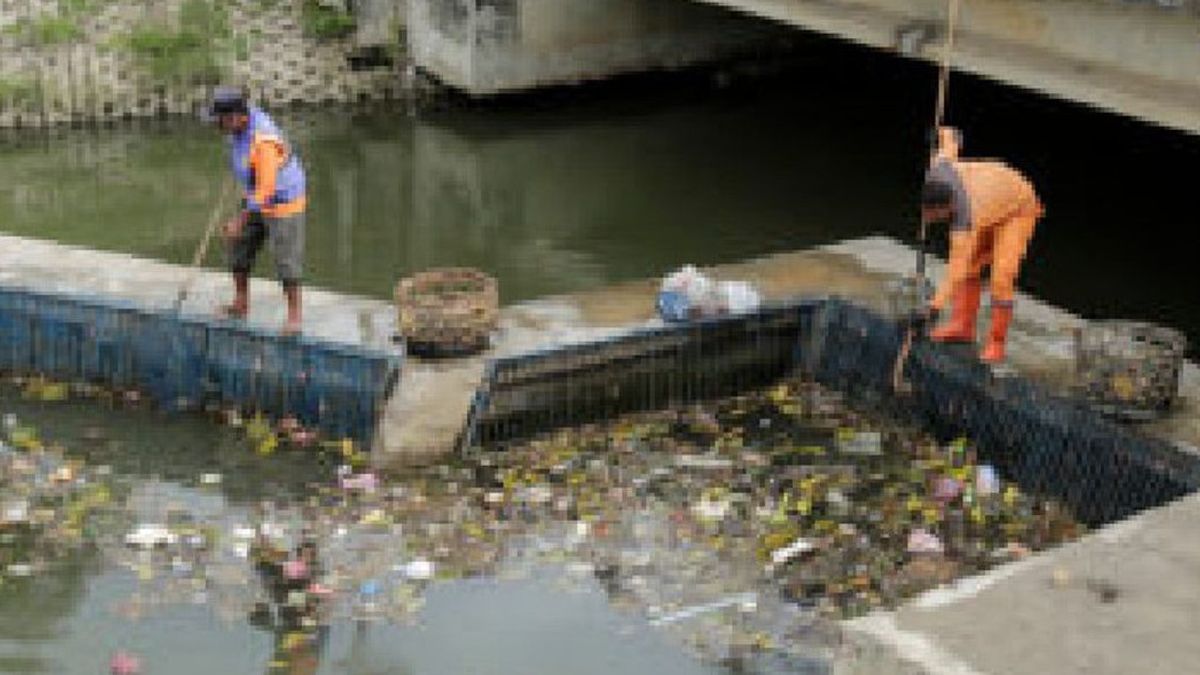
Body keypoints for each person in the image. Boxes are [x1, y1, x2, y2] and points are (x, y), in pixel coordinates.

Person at [920, 126, 1044, 364]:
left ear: (948, 208)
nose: (928, 219)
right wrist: (939, 133)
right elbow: (953, 137)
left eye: (933, 215)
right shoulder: (938, 168)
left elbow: (954, 271)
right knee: (971, 268)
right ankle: (962, 327)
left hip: (1017, 208)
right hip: (990, 198)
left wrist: (932, 309)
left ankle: (996, 343)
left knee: (1001, 276)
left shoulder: (965, 219)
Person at [207, 86, 307, 335]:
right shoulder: (239, 125)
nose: (217, 124)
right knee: (238, 247)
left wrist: (240, 220)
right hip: (257, 193)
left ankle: (294, 317)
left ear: (236, 117)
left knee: (286, 260)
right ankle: (241, 304)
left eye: (220, 119)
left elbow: (266, 190)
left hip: (283, 199)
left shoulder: (264, 140)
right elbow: (244, 161)